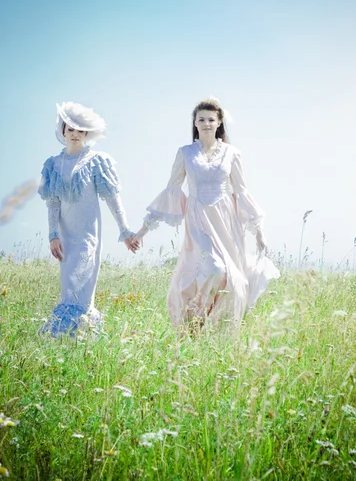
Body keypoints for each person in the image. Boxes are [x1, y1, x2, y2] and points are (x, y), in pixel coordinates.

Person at [134, 98, 280, 329]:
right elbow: (171, 191)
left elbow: (241, 192)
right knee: (213, 268)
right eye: (201, 119)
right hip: (198, 220)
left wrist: (259, 232)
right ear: (195, 122)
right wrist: (142, 231)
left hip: (226, 222)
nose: (206, 123)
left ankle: (210, 324)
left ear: (219, 122)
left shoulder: (232, 153)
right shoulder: (185, 153)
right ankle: (194, 317)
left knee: (231, 279)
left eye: (211, 119)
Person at [38, 101, 139, 337]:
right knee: (67, 287)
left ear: (87, 133)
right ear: (63, 130)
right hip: (65, 237)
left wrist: (125, 231)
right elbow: (53, 203)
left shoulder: (96, 161)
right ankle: (68, 339)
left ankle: (80, 336)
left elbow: (113, 198)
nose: (75, 134)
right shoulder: (52, 164)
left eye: (80, 130)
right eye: (70, 129)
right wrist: (53, 235)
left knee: (79, 285)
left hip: (87, 236)